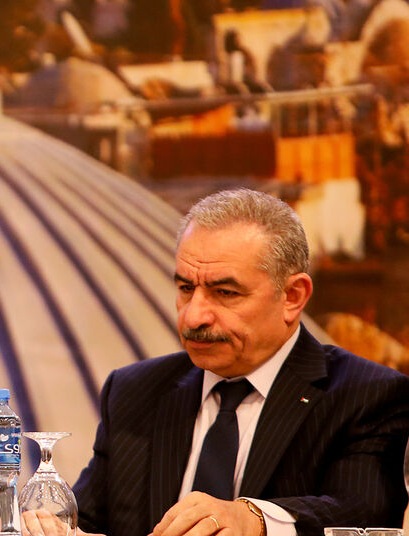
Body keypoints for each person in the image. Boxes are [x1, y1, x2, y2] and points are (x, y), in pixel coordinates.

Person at [72, 188, 409, 536]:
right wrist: (51, 524)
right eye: (186, 289)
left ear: (292, 297)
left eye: (225, 293)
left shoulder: (366, 395)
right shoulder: (135, 391)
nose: (194, 317)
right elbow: (87, 521)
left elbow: (364, 514)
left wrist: (254, 519)